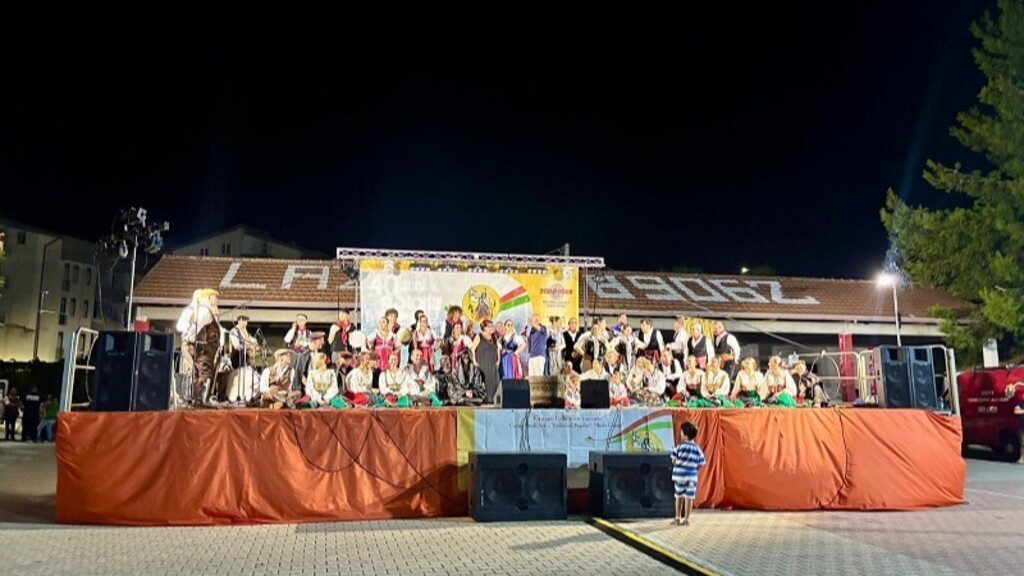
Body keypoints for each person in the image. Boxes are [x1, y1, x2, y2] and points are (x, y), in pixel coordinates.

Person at [178, 288, 222, 406]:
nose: (217, 300)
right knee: (204, 372)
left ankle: (199, 399)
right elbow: (195, 326)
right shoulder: (205, 310)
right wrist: (189, 338)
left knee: (202, 372)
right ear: (208, 298)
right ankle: (199, 399)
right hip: (203, 347)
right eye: (215, 297)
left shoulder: (207, 310)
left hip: (206, 347)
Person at [671, 421, 706, 526]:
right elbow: (701, 463)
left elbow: (673, 459)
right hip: (691, 477)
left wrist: (678, 464)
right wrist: (694, 469)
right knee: (689, 497)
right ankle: (686, 519)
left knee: (678, 496)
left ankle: (677, 518)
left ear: (685, 435)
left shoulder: (679, 447)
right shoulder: (697, 449)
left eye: (681, 432)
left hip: (679, 476)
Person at [472, 319, 501, 404]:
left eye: (492, 326)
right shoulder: (479, 336)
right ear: (484, 327)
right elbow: (472, 349)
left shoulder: (494, 337)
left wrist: (498, 360)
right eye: (489, 326)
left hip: (492, 363)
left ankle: (493, 400)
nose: (491, 328)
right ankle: (485, 400)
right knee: (484, 381)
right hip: (482, 362)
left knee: (494, 381)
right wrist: (474, 361)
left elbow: (497, 349)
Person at [284, 313, 313, 392]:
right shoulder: (293, 331)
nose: (300, 322)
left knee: (302, 357)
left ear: (305, 321)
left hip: (304, 354)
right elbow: (287, 340)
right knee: (296, 358)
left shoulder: (309, 333)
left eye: (302, 320)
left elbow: (310, 344)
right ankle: (295, 385)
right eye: (298, 320)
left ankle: (300, 386)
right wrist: (293, 329)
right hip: (294, 354)